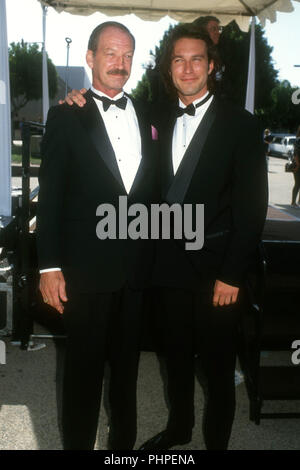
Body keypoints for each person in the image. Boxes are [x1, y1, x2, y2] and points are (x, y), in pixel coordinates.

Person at [138, 24, 268, 450]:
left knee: (216, 368)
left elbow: (252, 208)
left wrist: (232, 275)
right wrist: (75, 100)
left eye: (197, 59)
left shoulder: (241, 125)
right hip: (167, 265)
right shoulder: (152, 116)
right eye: (179, 59)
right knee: (174, 361)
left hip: (218, 270)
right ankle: (179, 429)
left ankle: (216, 442)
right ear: (168, 68)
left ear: (212, 66)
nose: (188, 68)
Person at [36, 21, 158, 450]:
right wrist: (48, 266)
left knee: (126, 378)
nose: (119, 63)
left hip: (135, 275)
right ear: (90, 58)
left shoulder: (149, 113)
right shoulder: (65, 114)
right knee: (83, 378)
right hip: (84, 273)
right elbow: (49, 198)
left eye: (127, 55)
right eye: (110, 53)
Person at [291, 125, 300, 208]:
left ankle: (298, 202)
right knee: (297, 183)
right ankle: (293, 202)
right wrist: (297, 165)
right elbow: (295, 154)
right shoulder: (297, 140)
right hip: (298, 165)